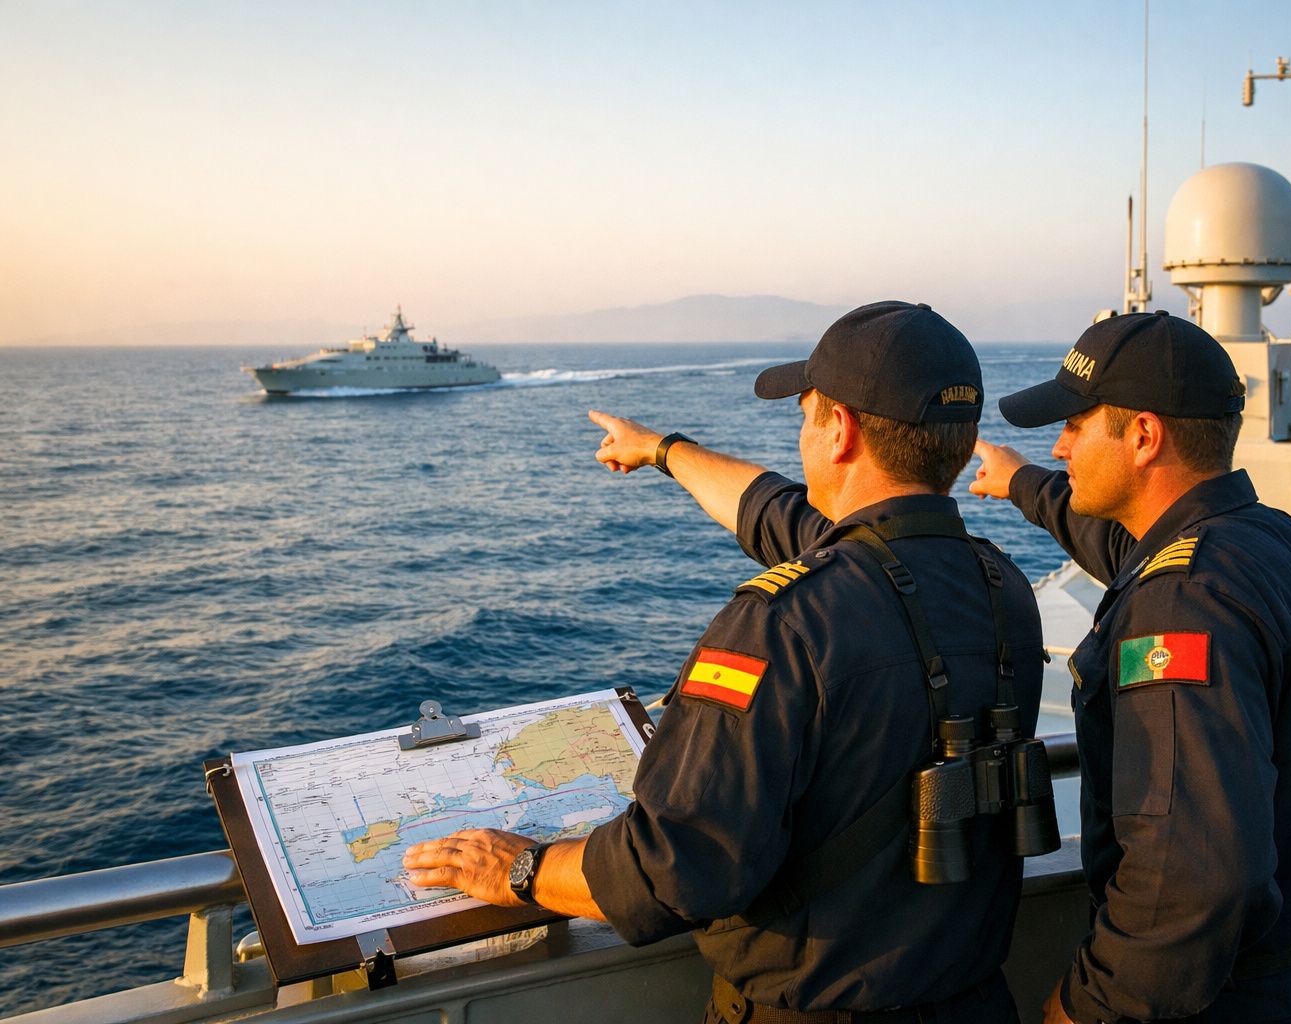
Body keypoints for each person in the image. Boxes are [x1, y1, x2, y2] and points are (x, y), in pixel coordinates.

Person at [404, 300, 1046, 1023]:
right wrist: (662, 449)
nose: (802, 437)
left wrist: (521, 869)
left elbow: (675, 866)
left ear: (839, 430)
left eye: (805, 417)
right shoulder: (1002, 590)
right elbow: (781, 515)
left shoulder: (781, 622)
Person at [969, 311, 1291, 1024]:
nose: (1059, 446)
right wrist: (1019, 480)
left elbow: (1193, 878)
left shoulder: (1183, 602)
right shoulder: (1273, 543)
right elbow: (1123, 547)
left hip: (1217, 1003)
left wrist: (1085, 1008)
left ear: (1145, 437)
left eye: (1075, 425)